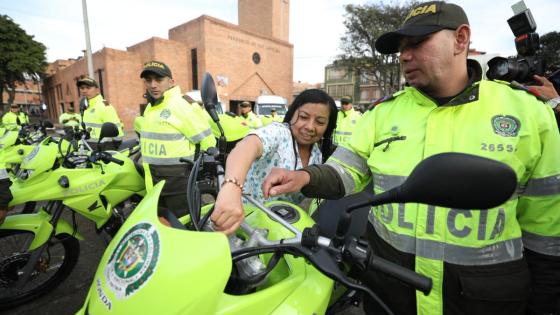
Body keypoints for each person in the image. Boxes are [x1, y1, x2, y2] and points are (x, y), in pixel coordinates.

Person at [217, 2, 560, 315]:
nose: (404, 56)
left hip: (485, 298)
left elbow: (546, 229)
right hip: (389, 291)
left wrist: (544, 304)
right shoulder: (383, 114)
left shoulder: (528, 113)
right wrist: (307, 178)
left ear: (461, 39)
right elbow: (348, 170)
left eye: (417, 44)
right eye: (401, 49)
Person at [211, 89, 338, 234]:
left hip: (278, 232)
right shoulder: (279, 133)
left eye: (320, 122)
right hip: (240, 224)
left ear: (328, 126)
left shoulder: (317, 155)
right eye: (303, 117)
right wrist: (231, 188)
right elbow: (247, 146)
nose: (310, 126)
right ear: (292, 114)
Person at [140, 60, 216, 217]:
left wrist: (194, 173)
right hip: (154, 184)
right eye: (149, 80)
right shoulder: (150, 107)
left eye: (159, 80)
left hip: (178, 187)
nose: (153, 85)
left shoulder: (183, 105)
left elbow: (208, 143)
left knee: (185, 232)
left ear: (171, 81)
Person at [77, 76, 124, 150]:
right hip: (87, 149)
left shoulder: (104, 105)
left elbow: (117, 134)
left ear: (97, 90)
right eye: (82, 88)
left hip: (103, 150)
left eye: (88, 88)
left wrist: (113, 148)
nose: (84, 90)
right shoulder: (84, 106)